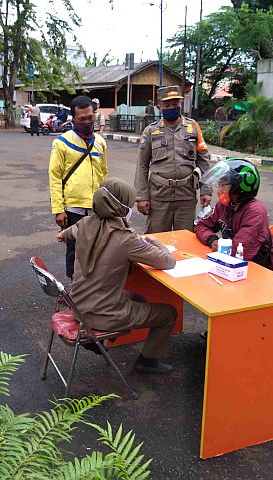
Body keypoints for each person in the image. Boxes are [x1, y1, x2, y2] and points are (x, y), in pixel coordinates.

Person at [57, 178, 177, 374]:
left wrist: (64, 236)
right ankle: (147, 361)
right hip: (102, 313)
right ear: (119, 206)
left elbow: (66, 234)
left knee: (137, 298)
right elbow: (168, 262)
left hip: (78, 304)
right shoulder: (125, 239)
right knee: (168, 314)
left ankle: (101, 340)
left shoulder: (85, 223)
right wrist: (155, 242)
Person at [194, 159, 273, 276]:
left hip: (267, 271)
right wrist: (212, 240)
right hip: (236, 267)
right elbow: (201, 225)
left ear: (239, 187)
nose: (219, 189)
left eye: (223, 185)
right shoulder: (224, 206)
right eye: (218, 184)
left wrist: (220, 246)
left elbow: (239, 252)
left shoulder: (256, 211)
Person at [134, 85, 212, 233]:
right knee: (157, 242)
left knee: (186, 240)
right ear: (159, 107)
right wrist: (142, 196)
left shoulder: (192, 127)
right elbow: (142, 166)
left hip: (186, 196)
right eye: (167, 105)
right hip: (159, 196)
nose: (172, 107)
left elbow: (203, 160)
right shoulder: (150, 131)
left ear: (180, 104)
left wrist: (206, 190)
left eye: (176, 104)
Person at [49, 95, 108, 279]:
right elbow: (55, 177)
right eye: (82, 119)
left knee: (99, 248)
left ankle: (94, 287)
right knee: (74, 251)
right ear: (73, 119)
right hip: (73, 209)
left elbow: (104, 175)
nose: (87, 122)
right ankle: (75, 290)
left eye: (90, 117)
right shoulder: (61, 143)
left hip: (97, 208)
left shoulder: (100, 142)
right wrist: (59, 209)